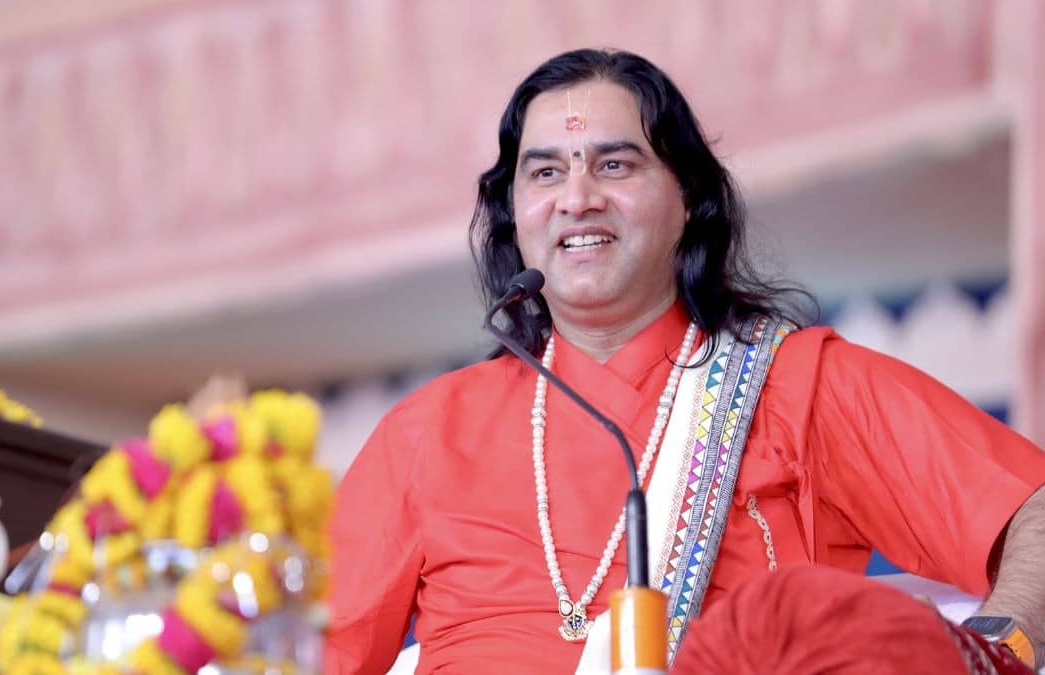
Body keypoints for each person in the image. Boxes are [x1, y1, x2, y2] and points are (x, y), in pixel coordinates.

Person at [324, 48, 1045, 674]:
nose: (577, 198)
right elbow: (308, 647)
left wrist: (997, 650)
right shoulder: (425, 434)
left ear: (690, 198)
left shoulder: (798, 387)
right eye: (544, 172)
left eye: (614, 164)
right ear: (514, 212)